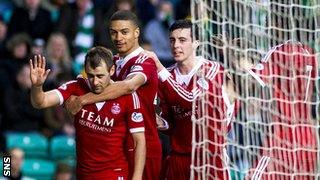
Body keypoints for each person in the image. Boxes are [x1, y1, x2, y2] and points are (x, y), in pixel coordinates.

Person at [65, 10, 162, 180]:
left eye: (124, 32)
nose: (118, 38)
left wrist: (82, 100)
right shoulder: (114, 62)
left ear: (136, 32)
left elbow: (128, 86)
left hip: (144, 145)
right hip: (120, 149)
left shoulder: (145, 61)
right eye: (114, 32)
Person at [29, 46, 146, 179]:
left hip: (114, 173)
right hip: (83, 174)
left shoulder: (128, 97)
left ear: (112, 70)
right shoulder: (75, 87)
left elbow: (139, 141)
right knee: (6, 166)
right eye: (90, 76)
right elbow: (40, 102)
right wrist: (37, 86)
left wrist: (137, 178)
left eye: (100, 76)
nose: (95, 82)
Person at [239, 3, 319, 178]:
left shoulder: (277, 52)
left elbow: (255, 79)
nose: (267, 27)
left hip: (282, 137)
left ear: (279, 24)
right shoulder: (311, 54)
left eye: (269, 21)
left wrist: (237, 58)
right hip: (308, 137)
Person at [151, 19, 237, 180]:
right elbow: (171, 123)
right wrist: (160, 123)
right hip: (179, 159)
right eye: (172, 40)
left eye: (182, 40)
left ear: (196, 43)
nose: (176, 45)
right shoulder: (166, 77)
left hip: (210, 158)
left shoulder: (213, 70)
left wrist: (160, 68)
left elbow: (189, 99)